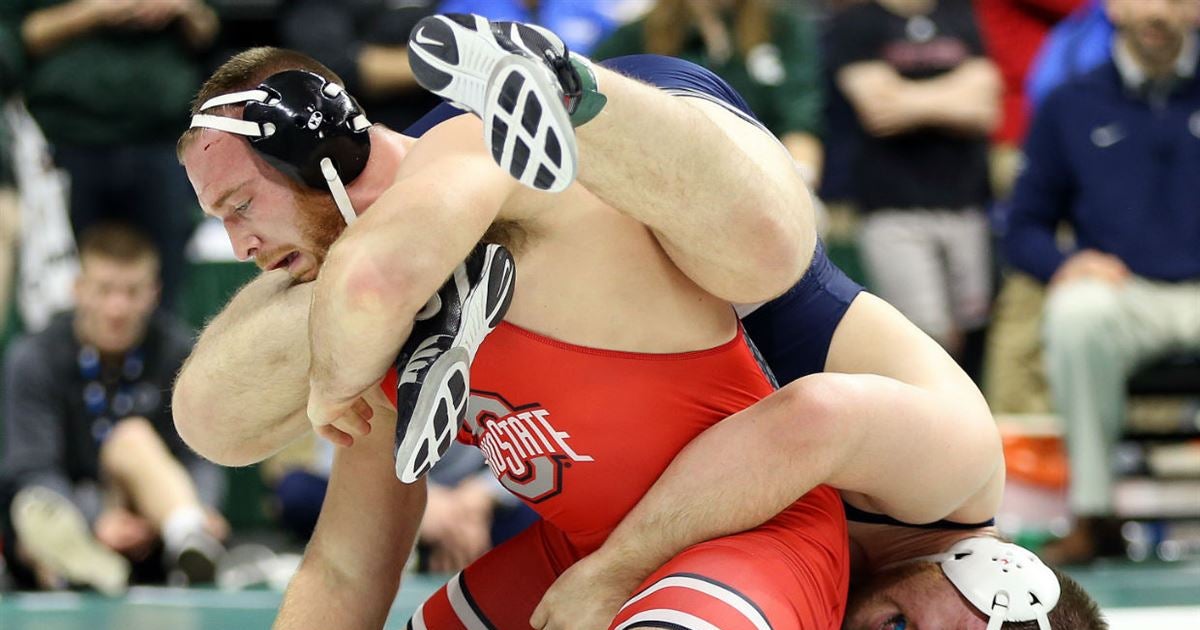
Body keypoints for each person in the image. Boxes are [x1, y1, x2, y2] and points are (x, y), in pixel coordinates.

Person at [172, 14, 1100, 630]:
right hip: (661, 165)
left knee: (215, 416)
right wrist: (614, 574)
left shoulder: (821, 575)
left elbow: (350, 561)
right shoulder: (958, 478)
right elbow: (806, 422)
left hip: (535, 271)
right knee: (768, 257)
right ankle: (566, 93)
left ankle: (409, 252)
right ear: (997, 578)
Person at [1004, 0, 1200, 564]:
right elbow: (1023, 228)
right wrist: (1066, 264)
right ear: (1113, 8)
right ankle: (1093, 514)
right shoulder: (1071, 102)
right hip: (1124, 295)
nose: (1157, 11)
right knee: (1075, 311)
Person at [0, 222, 227, 594]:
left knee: (132, 438)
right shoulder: (33, 357)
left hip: (155, 512)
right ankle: (88, 565)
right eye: (104, 290)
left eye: (132, 291)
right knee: (35, 513)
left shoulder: (179, 354)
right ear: (79, 290)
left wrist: (201, 505)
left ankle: (189, 533)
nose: (117, 307)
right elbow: (31, 468)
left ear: (153, 293)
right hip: (74, 511)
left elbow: (201, 454)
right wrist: (96, 519)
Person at [3, 0, 219, 310]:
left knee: (163, 295)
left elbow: (210, 27)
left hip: (163, 138)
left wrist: (181, 8)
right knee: (62, 295)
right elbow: (18, 36)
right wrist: (98, 9)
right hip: (67, 138)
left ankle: (165, 359)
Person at [829, 0, 1000, 367]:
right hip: (892, 206)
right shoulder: (856, 23)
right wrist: (955, 95)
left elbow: (986, 105)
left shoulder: (962, 13)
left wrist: (907, 100)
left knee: (975, 334)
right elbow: (878, 108)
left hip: (966, 202)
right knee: (925, 338)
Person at [592, 0, 826, 187]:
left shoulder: (782, 27)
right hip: (664, 180)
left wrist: (799, 183)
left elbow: (800, 119)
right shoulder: (636, 35)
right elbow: (595, 102)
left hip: (762, 177)